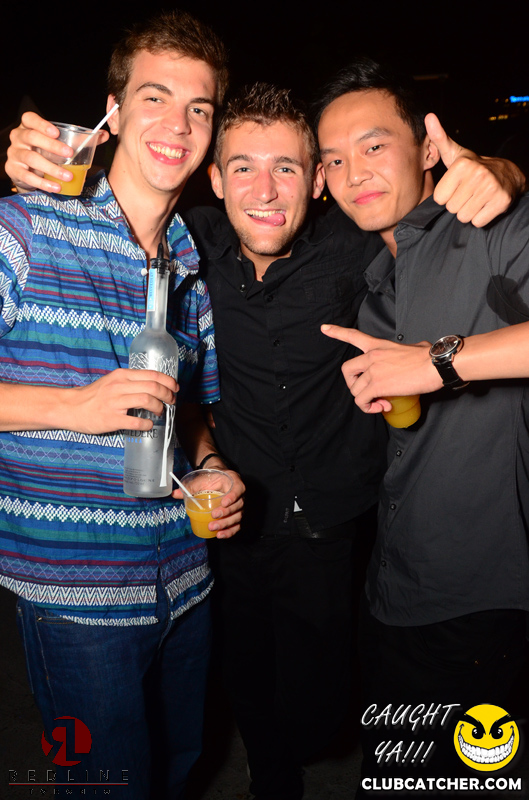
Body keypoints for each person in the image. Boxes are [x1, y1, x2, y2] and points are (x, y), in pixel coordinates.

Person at [6, 77, 523, 800]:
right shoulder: (192, 245)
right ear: (215, 180)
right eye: (242, 167)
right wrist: (37, 160)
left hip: (335, 516)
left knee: (324, 701)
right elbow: (120, 204)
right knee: (241, 672)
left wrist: (504, 171)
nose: (265, 190)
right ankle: (270, 777)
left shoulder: (353, 246)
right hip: (233, 516)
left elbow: (428, 209)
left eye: (287, 167)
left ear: (315, 183)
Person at [0, 10, 243, 800]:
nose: (178, 124)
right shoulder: (25, 225)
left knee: (178, 769)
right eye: (154, 98)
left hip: (185, 581)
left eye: (198, 107)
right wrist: (72, 407)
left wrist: (210, 467)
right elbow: (81, 408)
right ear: (111, 112)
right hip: (77, 599)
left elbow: (191, 411)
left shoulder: (190, 261)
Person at [316, 57, 529, 793]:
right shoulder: (376, 283)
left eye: (374, 146)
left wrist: (438, 363)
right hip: (396, 589)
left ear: (428, 148)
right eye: (333, 159)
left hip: (485, 600)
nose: (354, 173)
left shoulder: (491, 226)